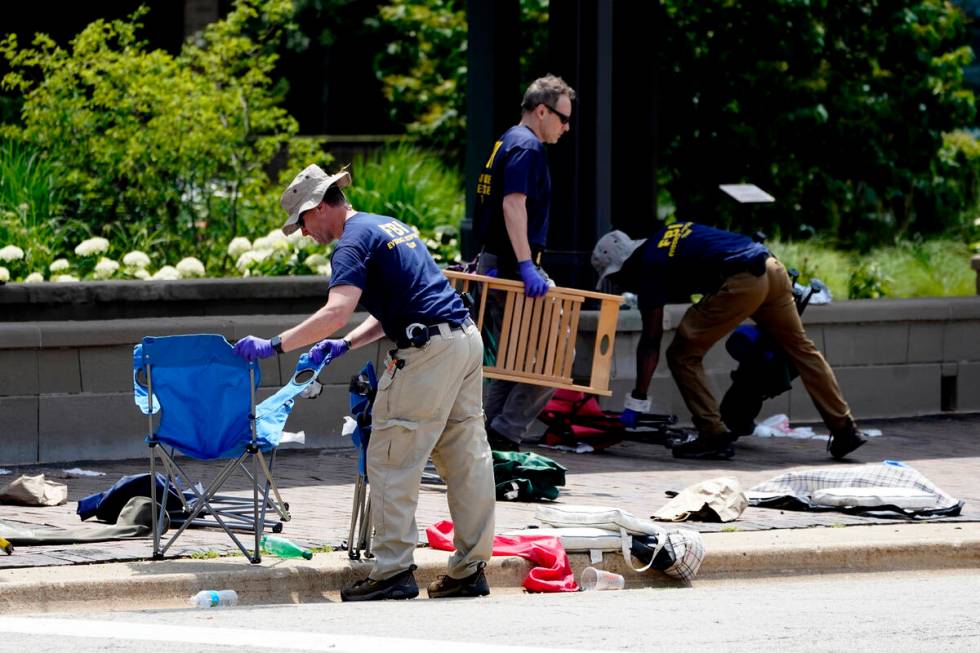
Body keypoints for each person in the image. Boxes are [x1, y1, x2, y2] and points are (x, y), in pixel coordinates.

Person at [233, 164, 496, 601]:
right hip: (463, 342)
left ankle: (392, 571)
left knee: (392, 456)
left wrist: (274, 345)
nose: (302, 232)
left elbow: (336, 309)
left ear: (318, 207)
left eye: (301, 220)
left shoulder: (350, 244)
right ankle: (470, 570)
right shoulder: (387, 226)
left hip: (427, 353)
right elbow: (401, 304)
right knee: (466, 457)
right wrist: (347, 344)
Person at [590, 223, 868, 460]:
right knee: (801, 350)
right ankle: (845, 429)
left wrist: (638, 399)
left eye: (617, 278)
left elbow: (651, 340)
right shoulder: (667, 235)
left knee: (681, 354)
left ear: (624, 266)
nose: (623, 285)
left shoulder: (648, 266)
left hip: (743, 279)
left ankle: (713, 434)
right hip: (771, 267)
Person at [472, 74, 576, 452]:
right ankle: (505, 430)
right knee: (557, 353)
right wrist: (525, 265)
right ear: (542, 110)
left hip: (499, 261)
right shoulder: (526, 147)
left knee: (517, 356)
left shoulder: (506, 141)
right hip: (515, 264)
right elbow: (513, 204)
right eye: (563, 118)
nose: (566, 127)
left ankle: (491, 434)